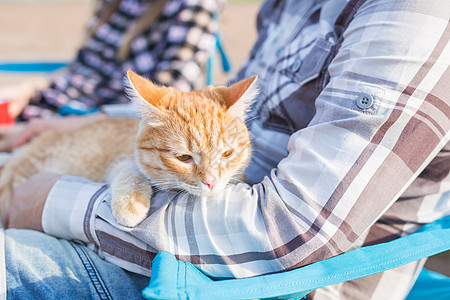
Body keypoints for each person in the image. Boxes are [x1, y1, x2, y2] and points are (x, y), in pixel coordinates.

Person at [3, 0, 450, 299]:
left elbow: (290, 232)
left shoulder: (412, 16)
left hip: (265, 283)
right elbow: (218, 107)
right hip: (178, 228)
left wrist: (58, 203)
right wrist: (100, 120)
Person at [0, 0, 224, 151]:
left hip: (92, 127)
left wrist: (47, 129)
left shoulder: (192, 6)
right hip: (45, 109)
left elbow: (164, 106)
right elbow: (83, 66)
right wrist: (28, 91)